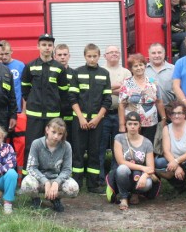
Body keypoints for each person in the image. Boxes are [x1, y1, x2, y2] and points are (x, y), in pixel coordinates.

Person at [21, 34, 69, 179]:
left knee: (53, 146)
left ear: (52, 48)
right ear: (38, 46)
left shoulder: (59, 68)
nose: (47, 47)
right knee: (31, 146)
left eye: (49, 45)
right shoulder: (30, 66)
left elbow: (63, 92)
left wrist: (56, 106)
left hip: (52, 116)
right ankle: (27, 177)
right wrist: (33, 102)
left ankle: (52, 176)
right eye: (44, 45)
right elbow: (25, 89)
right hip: (34, 114)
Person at [69, 43, 112, 192]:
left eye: (95, 56)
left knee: (94, 152)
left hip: (96, 122)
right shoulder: (77, 72)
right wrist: (80, 118)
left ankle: (93, 185)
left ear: (99, 56)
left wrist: (97, 119)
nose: (92, 59)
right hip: (79, 121)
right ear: (85, 56)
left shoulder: (104, 74)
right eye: (89, 56)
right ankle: (76, 183)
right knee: (78, 152)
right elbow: (72, 98)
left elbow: (107, 100)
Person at [21, 118, 79, 212]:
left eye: (60, 134)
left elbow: (67, 169)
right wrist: (45, 181)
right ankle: (35, 198)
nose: (56, 136)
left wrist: (57, 182)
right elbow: (31, 167)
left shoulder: (66, 146)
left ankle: (55, 198)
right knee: (26, 184)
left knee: (74, 188)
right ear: (47, 129)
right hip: (39, 179)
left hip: (56, 178)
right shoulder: (36, 144)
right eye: (53, 132)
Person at [108, 112, 159, 210]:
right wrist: (143, 167)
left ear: (139, 125)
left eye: (135, 124)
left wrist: (144, 175)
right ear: (126, 125)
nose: (132, 127)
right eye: (130, 124)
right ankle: (124, 197)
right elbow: (120, 162)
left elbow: (151, 167)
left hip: (139, 175)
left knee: (148, 183)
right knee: (122, 169)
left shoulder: (147, 143)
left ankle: (136, 194)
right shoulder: (119, 138)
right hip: (124, 174)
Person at [99, 45, 131, 185]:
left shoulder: (126, 72)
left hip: (120, 115)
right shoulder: (100, 71)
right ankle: (99, 178)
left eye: (116, 52)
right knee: (100, 147)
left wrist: (108, 88)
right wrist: (115, 87)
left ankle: (114, 176)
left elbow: (127, 90)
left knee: (117, 147)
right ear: (105, 56)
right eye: (110, 52)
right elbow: (98, 90)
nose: (114, 54)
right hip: (103, 114)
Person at [119, 53, 166, 143]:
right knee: (134, 147)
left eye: (141, 65)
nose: (139, 68)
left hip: (151, 122)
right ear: (131, 69)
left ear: (145, 66)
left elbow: (159, 102)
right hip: (132, 123)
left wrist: (163, 119)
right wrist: (122, 125)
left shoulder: (153, 82)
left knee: (149, 147)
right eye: (135, 66)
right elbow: (121, 105)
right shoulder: (126, 83)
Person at [54, 43, 76, 145]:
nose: (62, 57)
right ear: (54, 56)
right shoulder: (51, 73)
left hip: (71, 114)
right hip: (55, 113)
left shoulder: (75, 74)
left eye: (65, 54)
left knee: (70, 142)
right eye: (59, 55)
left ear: (69, 56)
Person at [0, 40, 25, 112]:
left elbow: (25, 90)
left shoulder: (20, 66)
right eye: (1, 54)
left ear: (11, 51)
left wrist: (24, 110)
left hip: (16, 109)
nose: (4, 57)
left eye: (6, 53)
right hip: (0, 110)